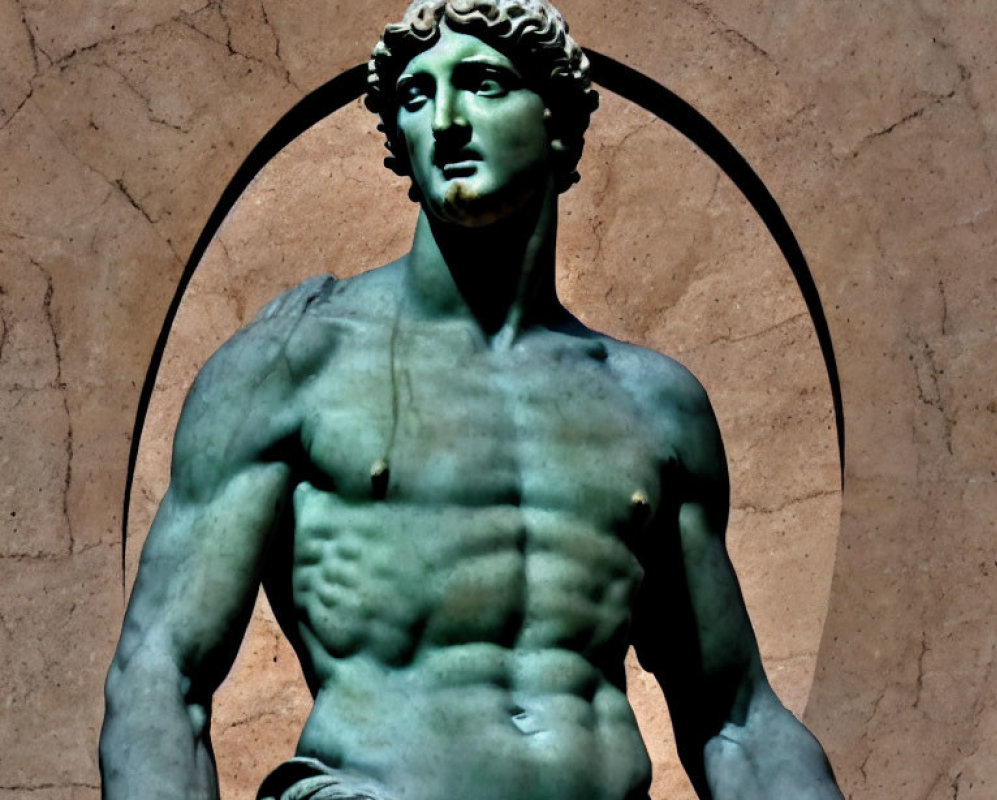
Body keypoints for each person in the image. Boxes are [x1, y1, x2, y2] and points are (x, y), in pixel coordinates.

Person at [100, 1, 844, 798]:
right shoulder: (297, 366)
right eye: (416, 98)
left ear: (556, 125)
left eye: (483, 84)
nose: (446, 120)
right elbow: (160, 673)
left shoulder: (652, 405)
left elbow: (735, 718)